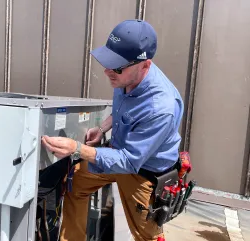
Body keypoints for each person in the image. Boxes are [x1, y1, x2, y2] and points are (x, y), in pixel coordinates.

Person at [41, 19, 184, 241]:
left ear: (145, 65)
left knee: (147, 237)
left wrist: (76, 148)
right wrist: (102, 127)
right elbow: (125, 109)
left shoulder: (161, 107)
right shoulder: (126, 77)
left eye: (116, 67)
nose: (108, 71)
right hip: (119, 155)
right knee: (75, 182)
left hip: (144, 175)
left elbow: (129, 162)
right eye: (108, 62)